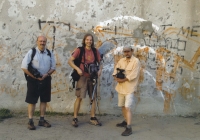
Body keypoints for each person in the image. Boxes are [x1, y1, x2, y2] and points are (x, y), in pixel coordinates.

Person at [21, 35, 56, 130]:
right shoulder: (32, 52)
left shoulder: (49, 53)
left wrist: (46, 75)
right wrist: (34, 77)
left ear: (46, 42)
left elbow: (53, 67)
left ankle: (41, 120)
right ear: (37, 42)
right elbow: (24, 67)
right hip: (33, 81)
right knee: (32, 101)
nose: (42, 43)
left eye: (44, 41)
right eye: (40, 41)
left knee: (44, 100)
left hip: (46, 79)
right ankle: (30, 121)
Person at [68, 33, 102, 127]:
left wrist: (100, 70)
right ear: (84, 40)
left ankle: (93, 117)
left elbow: (100, 62)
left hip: (92, 77)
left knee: (93, 98)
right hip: (82, 77)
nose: (89, 41)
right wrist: (77, 69)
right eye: (87, 39)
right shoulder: (80, 50)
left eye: (90, 40)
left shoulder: (95, 51)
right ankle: (75, 118)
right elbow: (70, 61)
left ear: (92, 41)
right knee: (79, 97)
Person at [112, 46, 140, 136]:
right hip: (121, 88)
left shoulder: (136, 61)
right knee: (123, 106)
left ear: (132, 51)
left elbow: (133, 75)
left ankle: (129, 127)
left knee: (128, 107)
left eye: (128, 51)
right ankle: (125, 120)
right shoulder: (121, 60)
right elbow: (116, 69)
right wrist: (116, 77)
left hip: (130, 88)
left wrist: (122, 80)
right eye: (125, 52)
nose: (126, 53)